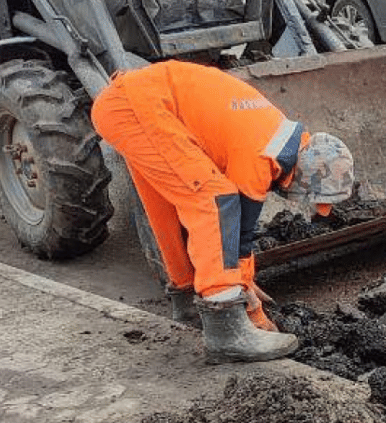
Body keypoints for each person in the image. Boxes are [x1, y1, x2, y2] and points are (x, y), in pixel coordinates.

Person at [92, 60, 354, 364]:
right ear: (304, 175)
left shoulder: (274, 132)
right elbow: (239, 232)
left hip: (133, 105)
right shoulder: (262, 154)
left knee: (172, 207)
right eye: (307, 194)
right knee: (215, 200)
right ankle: (226, 329)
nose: (297, 198)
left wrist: (244, 280)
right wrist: (251, 309)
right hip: (139, 107)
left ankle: (188, 300)